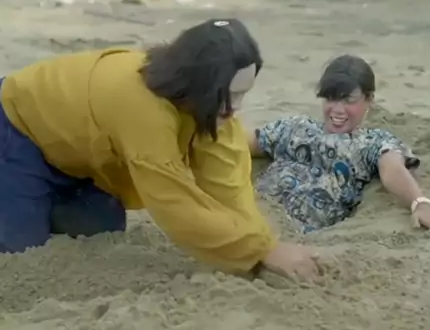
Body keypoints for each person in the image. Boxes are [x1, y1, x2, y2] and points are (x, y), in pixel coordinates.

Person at [0, 19, 319, 279]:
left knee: (100, 227)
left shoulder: (210, 108)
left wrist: (261, 250)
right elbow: (173, 202)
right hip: (16, 128)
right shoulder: (142, 108)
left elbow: (229, 186)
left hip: (77, 160)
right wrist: (263, 250)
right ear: (199, 81)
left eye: (242, 94)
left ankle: (36, 200)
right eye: (228, 94)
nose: (235, 107)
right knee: (21, 252)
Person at [249, 54, 430, 233]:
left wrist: (420, 203)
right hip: (251, 210)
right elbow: (244, 143)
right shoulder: (294, 127)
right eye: (331, 99)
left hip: (292, 228)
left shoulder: (373, 143)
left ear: (369, 99)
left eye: (349, 100)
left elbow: (392, 168)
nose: (338, 109)